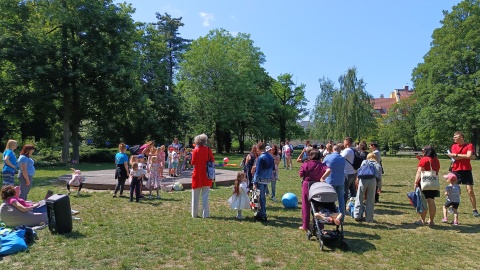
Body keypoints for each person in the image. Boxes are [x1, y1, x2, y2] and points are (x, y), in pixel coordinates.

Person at [447, 131, 479, 217]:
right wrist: (465, 156)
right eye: (453, 137)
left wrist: (457, 155)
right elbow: (457, 158)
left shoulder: (469, 145)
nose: (454, 138)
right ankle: (451, 207)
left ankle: (474, 209)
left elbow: (468, 156)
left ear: (461, 137)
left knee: (470, 191)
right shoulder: (454, 146)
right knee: (453, 190)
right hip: (456, 170)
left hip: (466, 170)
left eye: (455, 137)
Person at [298, 149, 327, 231]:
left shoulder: (306, 164)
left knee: (306, 206)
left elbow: (301, 174)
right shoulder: (322, 165)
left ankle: (305, 225)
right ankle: (319, 225)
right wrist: (322, 177)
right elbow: (328, 170)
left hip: (307, 185)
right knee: (319, 205)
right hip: (318, 186)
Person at [414, 145, 440, 226]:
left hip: (424, 183)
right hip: (434, 183)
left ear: (426, 151)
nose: (422, 152)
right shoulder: (436, 160)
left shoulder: (424, 159)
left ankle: (422, 220)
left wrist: (415, 182)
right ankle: (431, 220)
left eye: (423, 151)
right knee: (431, 201)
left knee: (423, 201)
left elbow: (419, 172)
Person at [191, 133, 215, 218]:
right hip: (206, 175)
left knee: (195, 196)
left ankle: (194, 214)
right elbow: (212, 160)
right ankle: (206, 214)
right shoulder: (208, 150)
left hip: (197, 174)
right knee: (205, 197)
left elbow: (193, 162)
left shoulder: (195, 150)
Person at [353, 153, 382, 222]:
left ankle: (357, 215)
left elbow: (359, 171)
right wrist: (379, 187)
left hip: (362, 180)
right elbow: (379, 177)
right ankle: (369, 218)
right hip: (372, 180)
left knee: (359, 197)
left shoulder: (364, 162)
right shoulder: (377, 165)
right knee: (370, 200)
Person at [320, 144, 346, 220]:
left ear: (332, 150)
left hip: (330, 180)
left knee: (329, 199)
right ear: (340, 150)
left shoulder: (328, 157)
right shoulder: (343, 158)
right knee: (341, 199)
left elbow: (323, 167)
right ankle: (342, 216)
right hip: (340, 181)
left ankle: (329, 215)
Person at [252, 142, 275, 222]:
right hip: (267, 180)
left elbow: (258, 172)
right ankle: (260, 213)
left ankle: (262, 214)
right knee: (261, 197)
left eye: (257, 149)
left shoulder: (261, 158)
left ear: (258, 148)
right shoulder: (271, 157)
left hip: (260, 180)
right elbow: (273, 169)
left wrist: (255, 182)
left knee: (260, 198)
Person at [341, 137, 357, 207]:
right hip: (354, 172)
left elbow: (340, 159)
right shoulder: (354, 149)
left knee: (345, 191)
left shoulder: (347, 150)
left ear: (347, 142)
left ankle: (343, 206)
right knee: (353, 190)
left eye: (344, 142)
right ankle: (353, 205)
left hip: (347, 173)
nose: (343, 143)